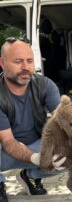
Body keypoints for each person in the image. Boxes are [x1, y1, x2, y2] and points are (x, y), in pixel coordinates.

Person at [0, 37, 66, 202]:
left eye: (29, 61)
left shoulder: (45, 85)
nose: (25, 67)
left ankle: (30, 176)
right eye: (18, 61)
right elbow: (8, 142)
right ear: (2, 63)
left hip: (34, 144)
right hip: (4, 152)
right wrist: (36, 158)